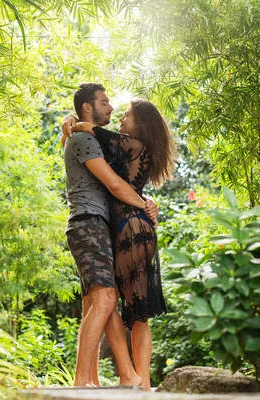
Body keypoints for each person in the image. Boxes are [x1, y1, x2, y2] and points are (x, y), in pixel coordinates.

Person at [64, 98, 176, 391]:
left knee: (130, 308)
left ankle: (142, 384)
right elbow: (95, 143)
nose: (122, 118)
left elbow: (97, 133)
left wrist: (79, 125)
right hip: (128, 228)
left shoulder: (132, 145)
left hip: (131, 229)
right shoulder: (127, 148)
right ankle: (135, 381)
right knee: (119, 304)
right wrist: (70, 125)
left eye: (127, 115)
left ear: (141, 123)